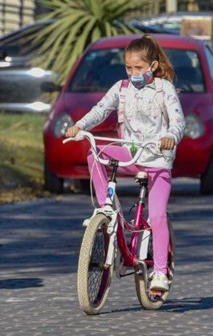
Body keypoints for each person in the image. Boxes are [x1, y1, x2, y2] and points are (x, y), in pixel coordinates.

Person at [65, 34, 185, 294]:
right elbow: (101, 109)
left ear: (152, 66)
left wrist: (170, 137)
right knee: (94, 153)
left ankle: (161, 272)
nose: (133, 73)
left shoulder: (165, 89)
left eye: (138, 68)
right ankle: (106, 208)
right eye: (128, 68)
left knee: (156, 216)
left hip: (156, 159)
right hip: (130, 153)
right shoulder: (121, 88)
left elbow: (178, 121)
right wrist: (80, 126)